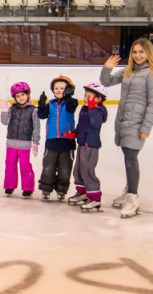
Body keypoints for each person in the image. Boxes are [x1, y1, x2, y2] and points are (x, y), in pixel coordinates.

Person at [100, 38, 153, 218]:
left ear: (148, 53)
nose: (138, 55)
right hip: (123, 121)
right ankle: (129, 191)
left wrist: (146, 127)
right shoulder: (129, 70)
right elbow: (106, 82)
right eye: (135, 52)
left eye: (141, 52)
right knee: (128, 156)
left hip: (137, 123)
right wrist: (107, 67)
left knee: (131, 158)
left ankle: (133, 199)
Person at [67, 83, 109, 212]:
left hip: (91, 146)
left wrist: (91, 109)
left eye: (89, 97)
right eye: (85, 96)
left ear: (98, 99)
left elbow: (96, 124)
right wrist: (74, 133)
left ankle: (95, 198)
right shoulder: (84, 109)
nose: (85, 99)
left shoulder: (100, 111)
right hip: (81, 143)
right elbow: (81, 125)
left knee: (88, 171)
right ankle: (83, 193)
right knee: (78, 170)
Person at [36, 75, 78, 201]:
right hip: (52, 141)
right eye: (56, 88)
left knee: (65, 168)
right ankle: (46, 188)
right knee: (48, 166)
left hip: (67, 141)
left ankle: (61, 189)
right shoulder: (51, 104)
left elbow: (72, 107)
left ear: (69, 90)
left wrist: (68, 96)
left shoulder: (71, 102)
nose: (59, 90)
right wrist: (42, 103)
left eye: (62, 88)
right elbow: (42, 115)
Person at [0, 82, 40, 198]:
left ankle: (28, 187)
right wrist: (4, 111)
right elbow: (5, 122)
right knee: (10, 164)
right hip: (11, 142)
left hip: (25, 143)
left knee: (25, 166)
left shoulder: (33, 110)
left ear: (28, 95)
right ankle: (10, 185)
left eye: (23, 95)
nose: (20, 98)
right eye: (18, 96)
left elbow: (36, 127)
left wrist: (35, 142)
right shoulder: (12, 109)